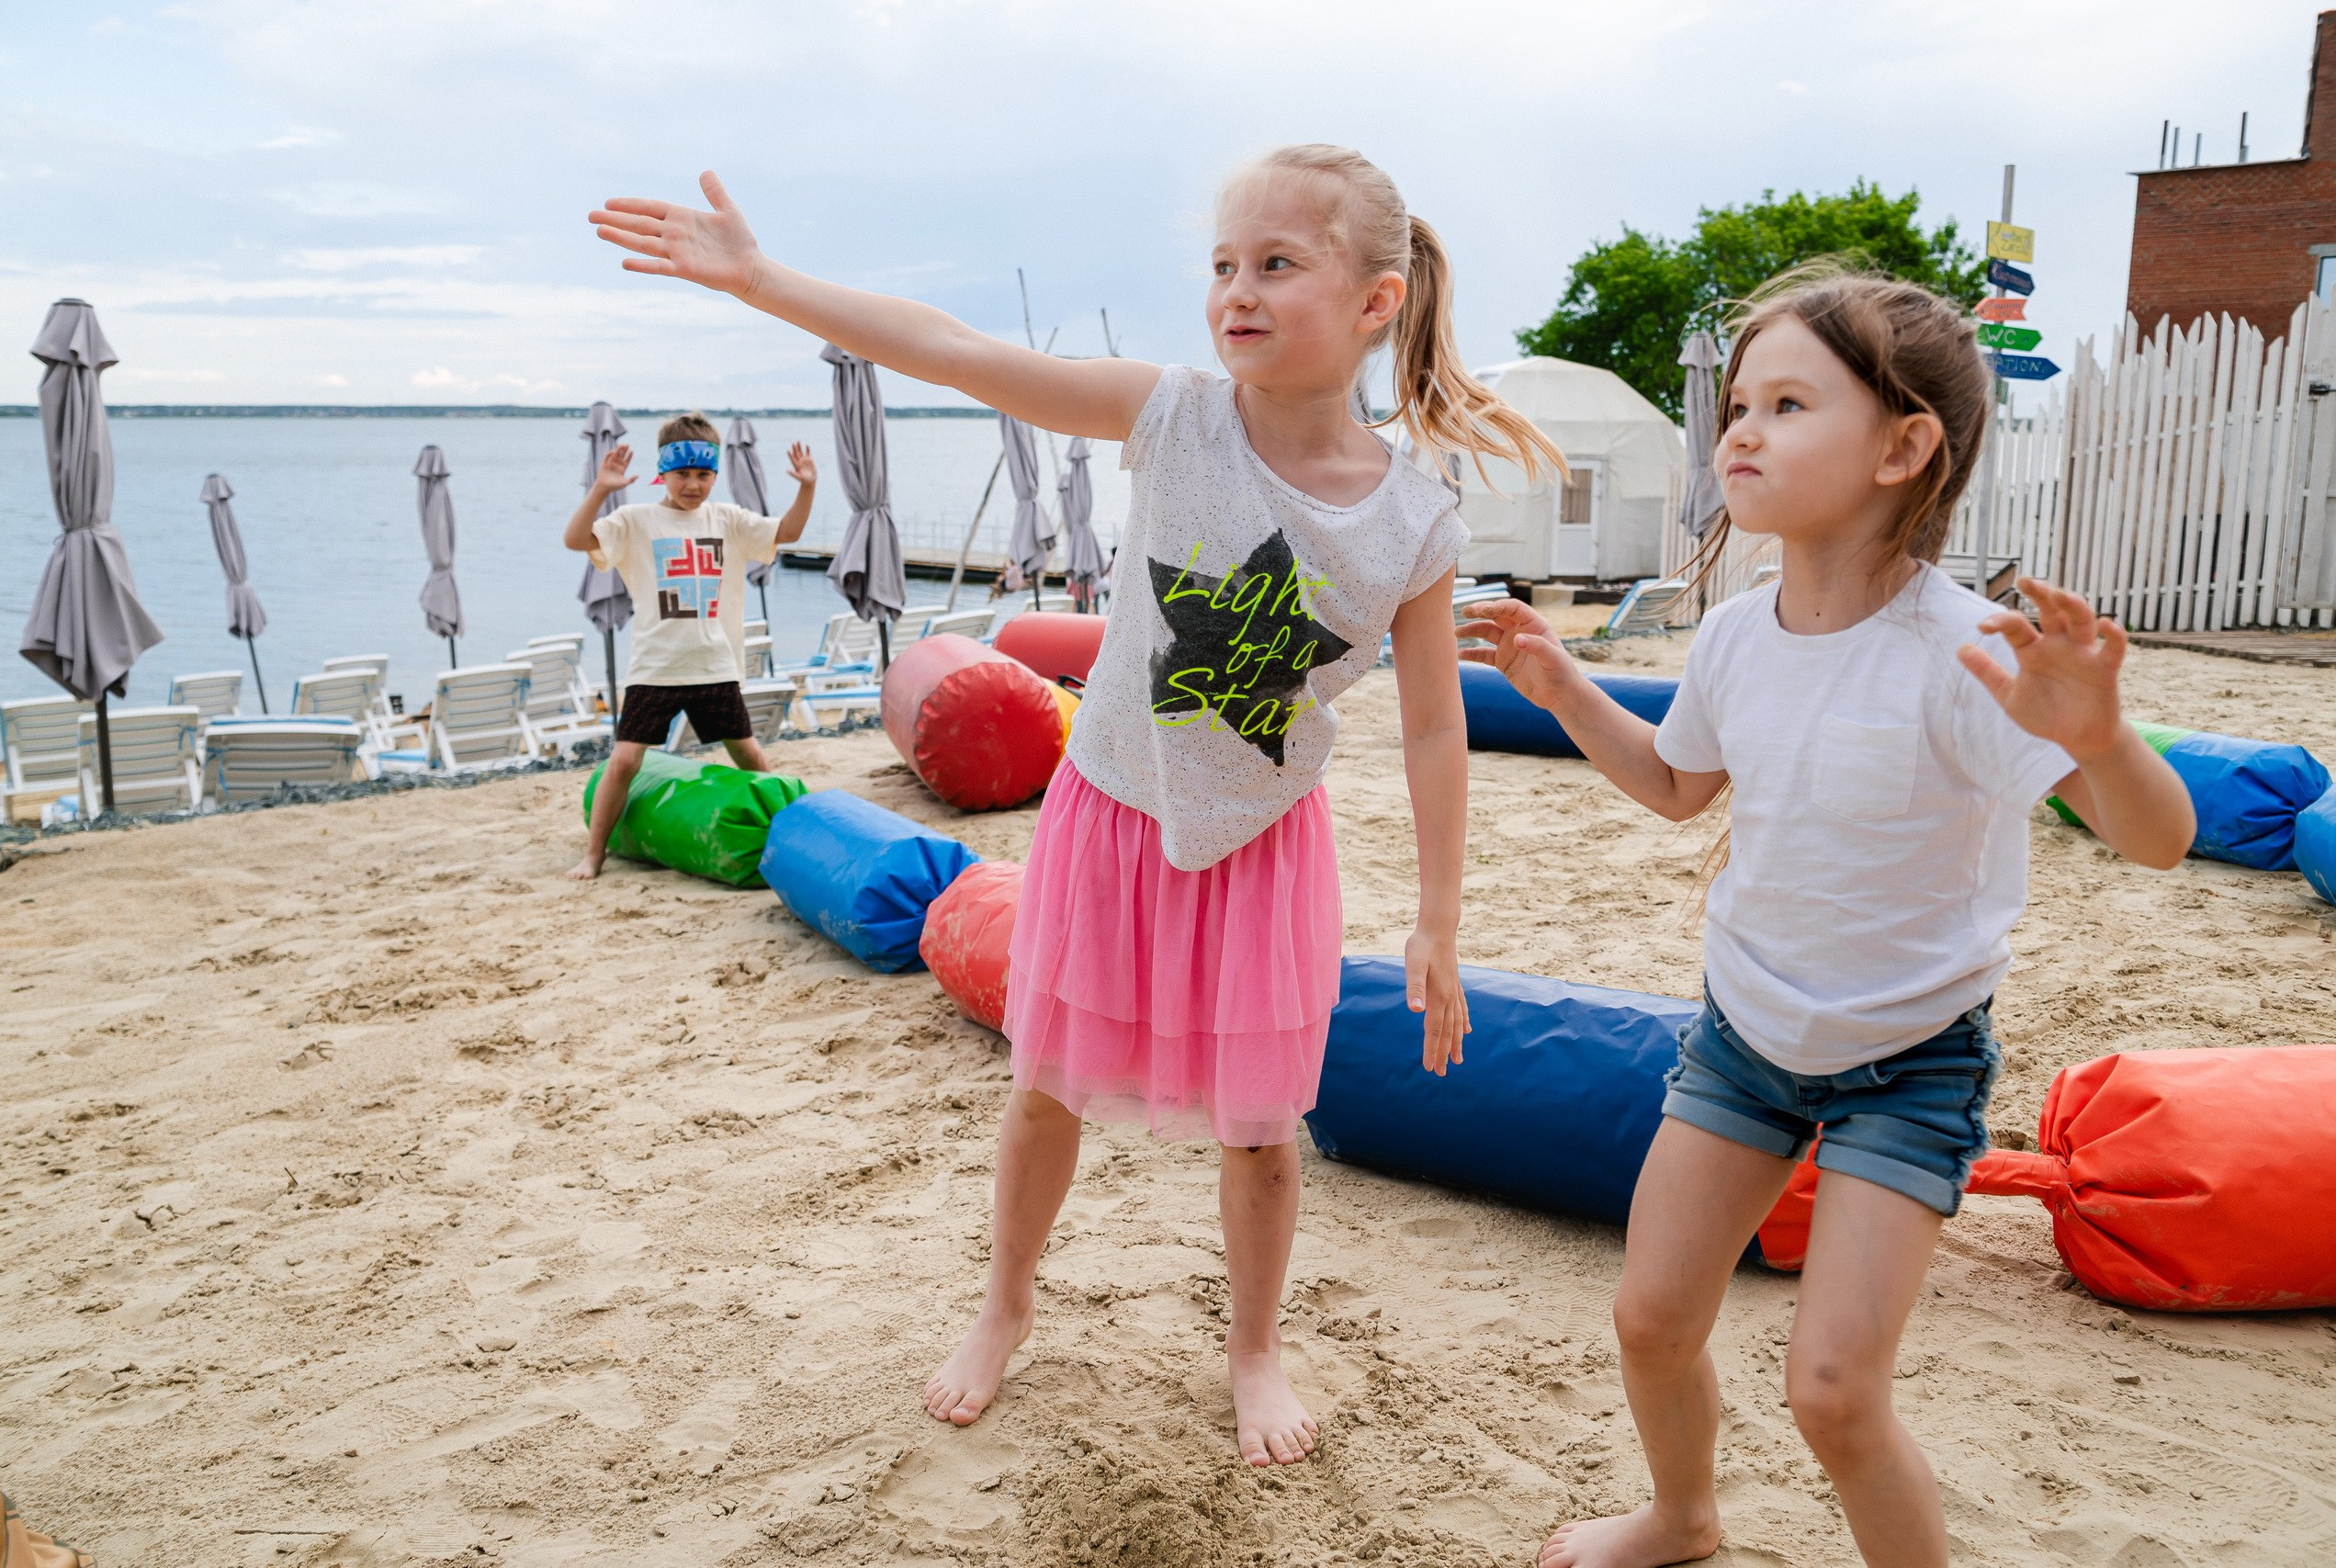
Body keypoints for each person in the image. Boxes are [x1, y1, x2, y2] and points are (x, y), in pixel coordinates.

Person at [588, 145, 1563, 1466]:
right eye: (1223, 264)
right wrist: (763, 282)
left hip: (1264, 850)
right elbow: (952, 350)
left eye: (1278, 263)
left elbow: (1437, 722)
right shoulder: (1172, 415)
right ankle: (1005, 1302)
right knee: (1044, 1088)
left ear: (1377, 301)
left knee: (1263, 1129)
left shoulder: (1415, 518)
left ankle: (1255, 1346)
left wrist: (1442, 915)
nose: (1238, 289)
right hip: (1109, 818)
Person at [1461, 267, 2195, 1568]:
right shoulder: (1739, 636)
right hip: (1745, 1033)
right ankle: (1683, 1516)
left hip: (1907, 1061)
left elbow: (2160, 839)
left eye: (1789, 402)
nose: (1740, 429)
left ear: (1904, 447)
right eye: (1739, 402)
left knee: (1836, 1390)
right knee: (1649, 1315)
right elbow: (1681, 787)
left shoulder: (1971, 652)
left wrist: (2105, 737)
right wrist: (1560, 678)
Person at [564, 412, 815, 881]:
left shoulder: (729, 520)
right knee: (623, 763)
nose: (693, 485)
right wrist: (601, 489)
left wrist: (806, 487)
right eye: (682, 474)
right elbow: (575, 539)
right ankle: (594, 853)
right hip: (655, 667)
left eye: (704, 474)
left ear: (716, 474)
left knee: (752, 758)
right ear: (663, 472)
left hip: (713, 664)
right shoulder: (636, 520)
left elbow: (788, 532)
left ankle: (797, 836)